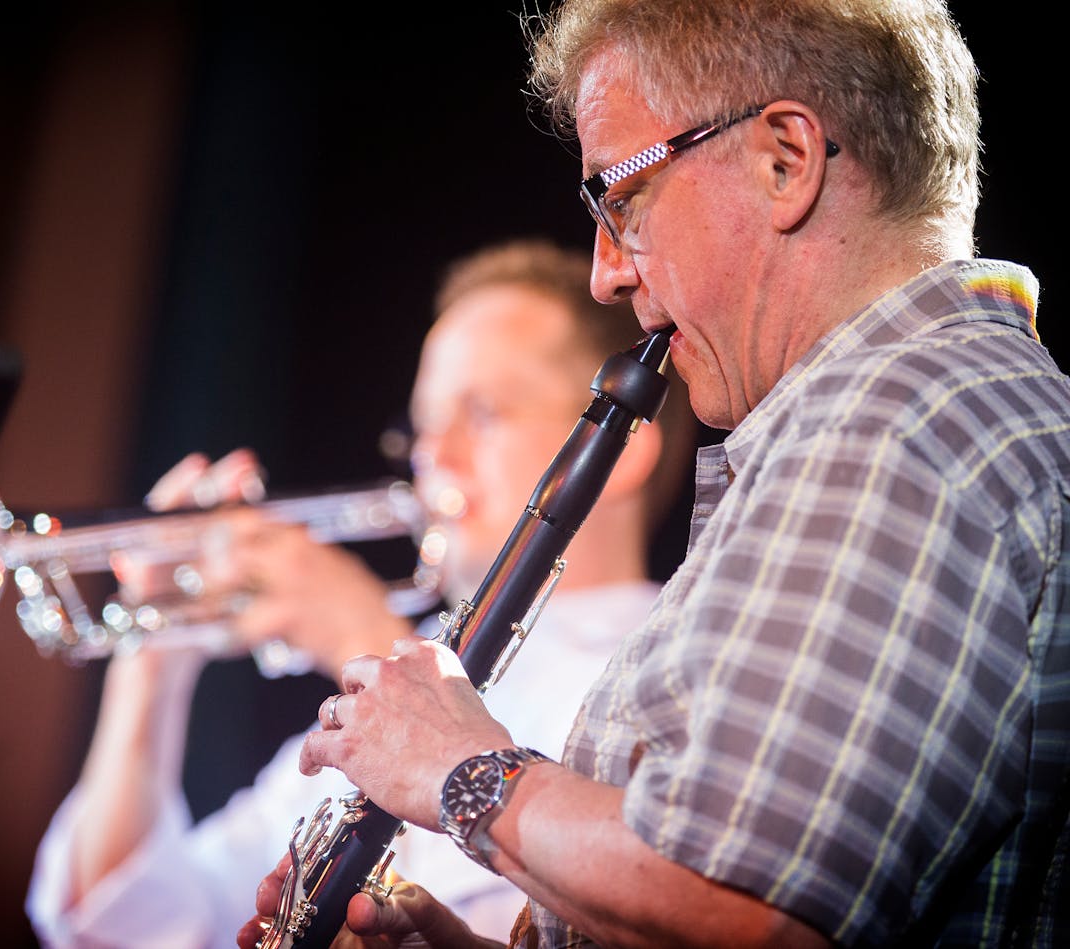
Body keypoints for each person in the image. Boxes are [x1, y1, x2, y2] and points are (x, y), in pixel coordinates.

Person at [239, 2, 1069, 947]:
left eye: (621, 201)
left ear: (783, 162)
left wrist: (461, 768)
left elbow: (751, 910)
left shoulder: (905, 418)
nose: (606, 274)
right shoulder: (897, 418)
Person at [24, 239, 697, 946]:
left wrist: (361, 638)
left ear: (618, 450)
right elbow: (115, 925)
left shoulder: (662, 665)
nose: (434, 457)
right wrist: (155, 647)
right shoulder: (386, 676)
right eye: (424, 426)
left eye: (483, 412)